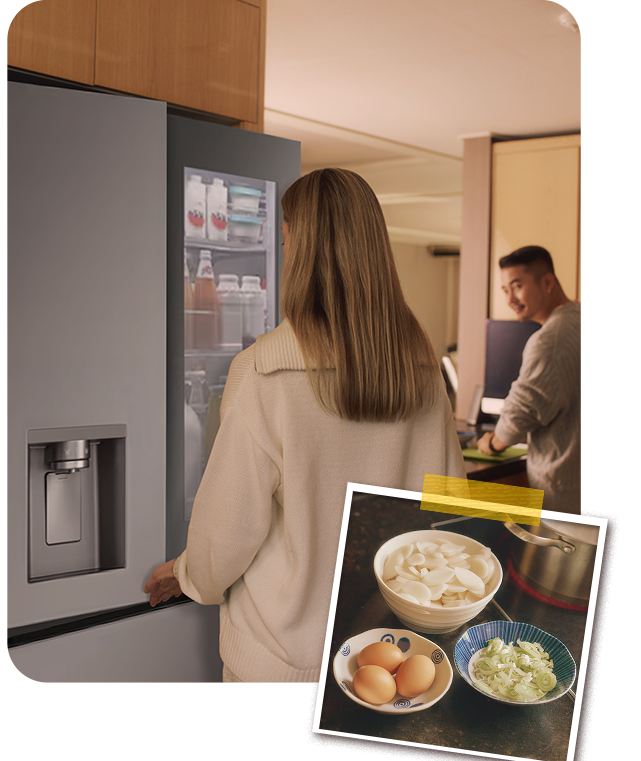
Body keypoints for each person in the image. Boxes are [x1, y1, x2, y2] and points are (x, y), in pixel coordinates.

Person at [144, 168, 466, 684]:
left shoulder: (263, 372)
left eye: (288, 241)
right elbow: (450, 509)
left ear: (303, 252)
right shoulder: (422, 373)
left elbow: (227, 533)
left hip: (283, 665)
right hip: (390, 658)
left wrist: (186, 573)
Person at [477, 245, 581, 513]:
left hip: (563, 493)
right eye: (505, 290)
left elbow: (521, 413)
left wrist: (492, 442)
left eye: (517, 286)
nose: (510, 298)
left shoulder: (549, 339)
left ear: (547, 282)